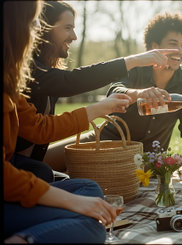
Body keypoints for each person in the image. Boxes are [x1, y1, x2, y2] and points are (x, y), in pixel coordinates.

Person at [3, 1, 132, 243]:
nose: (36, 33)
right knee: (92, 225)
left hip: (17, 181)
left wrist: (102, 107)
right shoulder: (31, 74)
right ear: (13, 28)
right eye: (33, 25)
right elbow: (72, 81)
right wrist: (74, 203)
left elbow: (41, 129)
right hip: (11, 186)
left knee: (89, 190)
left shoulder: (10, 84)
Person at [13, 0, 178, 179]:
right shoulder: (28, 70)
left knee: (66, 180)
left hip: (31, 166)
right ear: (43, 29)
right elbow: (71, 82)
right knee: (75, 184)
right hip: (16, 168)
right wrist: (133, 61)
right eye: (67, 28)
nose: (74, 36)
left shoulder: (44, 70)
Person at [46, 11, 182, 171]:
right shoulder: (136, 68)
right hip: (105, 142)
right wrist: (140, 93)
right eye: (173, 44)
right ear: (155, 45)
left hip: (149, 161)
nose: (180, 51)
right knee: (42, 161)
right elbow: (115, 90)